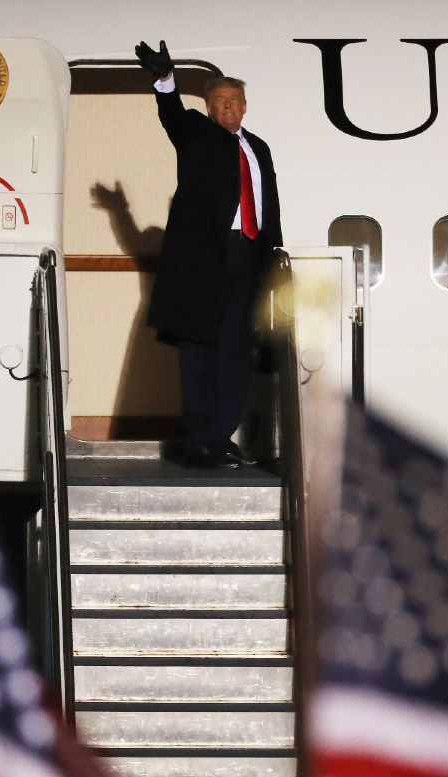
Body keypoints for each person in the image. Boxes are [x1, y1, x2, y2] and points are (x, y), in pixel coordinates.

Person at [135, 40, 283, 469]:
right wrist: (165, 80)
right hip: (205, 265)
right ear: (210, 107)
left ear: (245, 106)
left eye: (234, 101)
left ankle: (220, 436)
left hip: (250, 259)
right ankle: (199, 440)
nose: (227, 108)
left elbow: (268, 202)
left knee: (237, 353)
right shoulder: (197, 135)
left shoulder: (259, 148)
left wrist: (273, 256)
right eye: (219, 102)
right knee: (199, 351)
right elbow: (172, 117)